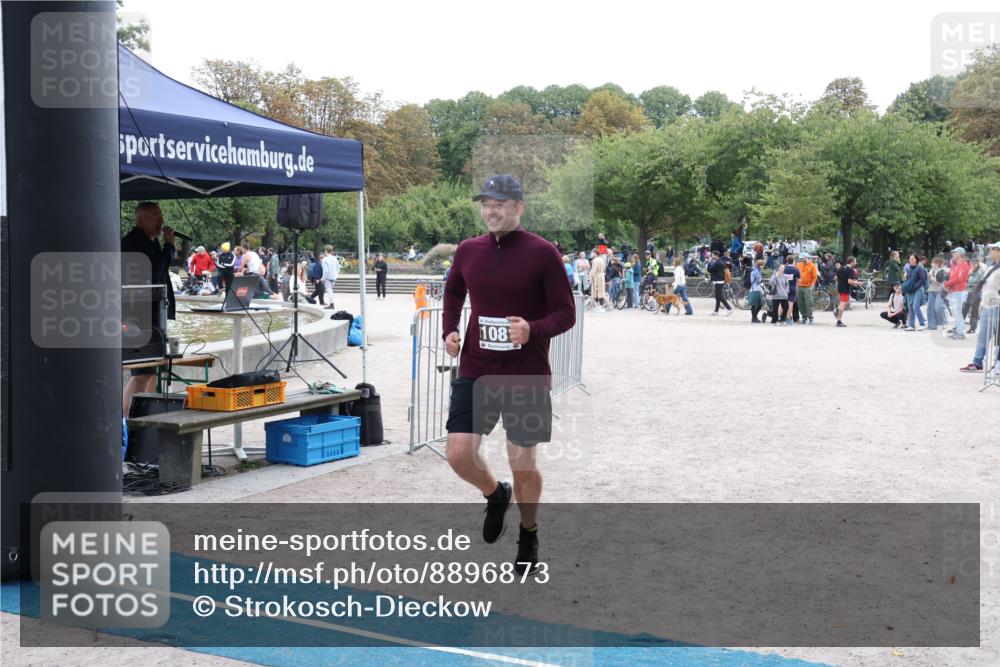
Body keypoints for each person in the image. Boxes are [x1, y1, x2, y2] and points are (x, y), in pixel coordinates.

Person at [442, 174, 575, 574]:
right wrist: (449, 328)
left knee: (522, 464)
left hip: (526, 374)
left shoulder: (543, 253)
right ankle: (494, 493)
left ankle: (529, 531)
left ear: (518, 207)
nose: (491, 211)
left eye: (499, 204)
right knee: (458, 454)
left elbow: (565, 313)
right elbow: (453, 291)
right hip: (477, 368)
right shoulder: (468, 250)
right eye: (486, 203)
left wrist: (533, 329)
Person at [121, 201, 176, 414]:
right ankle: (124, 417)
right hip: (137, 316)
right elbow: (152, 276)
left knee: (153, 371)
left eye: (161, 215)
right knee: (142, 371)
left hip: (154, 315)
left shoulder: (150, 243)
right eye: (155, 216)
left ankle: (146, 415)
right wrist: (169, 247)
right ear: (140, 219)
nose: (161, 220)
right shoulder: (134, 243)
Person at [960, 242, 1000, 373]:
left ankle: (998, 364)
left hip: (996, 305)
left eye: (993, 249)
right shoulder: (991, 267)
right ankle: (977, 362)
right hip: (988, 305)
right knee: (983, 335)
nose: (990, 251)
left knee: (998, 338)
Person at [944, 247, 971, 340]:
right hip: (954, 290)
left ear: (960, 254)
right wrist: (948, 284)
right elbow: (951, 277)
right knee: (956, 313)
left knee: (957, 312)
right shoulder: (955, 265)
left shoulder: (964, 265)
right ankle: (958, 331)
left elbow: (959, 279)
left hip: (959, 291)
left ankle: (960, 333)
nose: (952, 254)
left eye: (954, 252)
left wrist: (947, 284)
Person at [901, 253, 928, 331]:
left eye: (913, 259)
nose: (911, 260)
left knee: (915, 306)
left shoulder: (920, 268)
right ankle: (911, 326)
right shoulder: (909, 269)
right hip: (910, 290)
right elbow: (908, 281)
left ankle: (922, 323)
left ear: (916, 260)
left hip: (918, 289)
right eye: (910, 259)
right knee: (910, 307)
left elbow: (922, 280)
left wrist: (915, 287)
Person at [834, 256, 860, 328]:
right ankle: (838, 317)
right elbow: (849, 281)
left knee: (844, 303)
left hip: (840, 288)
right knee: (843, 304)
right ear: (851, 262)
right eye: (855, 261)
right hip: (845, 289)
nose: (856, 263)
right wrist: (858, 283)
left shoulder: (841, 268)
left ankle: (838, 315)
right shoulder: (850, 270)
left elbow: (835, 278)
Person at [795, 253, 818, 325]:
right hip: (800, 286)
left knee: (808, 303)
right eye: (802, 258)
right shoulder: (799, 265)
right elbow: (796, 275)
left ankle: (811, 318)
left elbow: (814, 277)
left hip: (808, 287)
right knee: (800, 303)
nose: (803, 259)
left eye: (804, 258)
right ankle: (804, 317)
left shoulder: (812, 266)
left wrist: (812, 286)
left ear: (807, 258)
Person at [926, 257, 948, 330]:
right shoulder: (931, 271)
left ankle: (943, 322)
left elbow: (940, 282)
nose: (931, 264)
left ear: (937, 264)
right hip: (931, 290)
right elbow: (929, 282)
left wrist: (931, 278)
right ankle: (932, 325)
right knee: (930, 309)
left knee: (938, 307)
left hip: (940, 291)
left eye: (933, 263)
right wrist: (929, 277)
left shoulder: (943, 271)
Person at [707, 251, 732, 315]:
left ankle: (729, 309)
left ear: (716, 255)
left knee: (719, 296)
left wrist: (709, 262)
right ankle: (716, 311)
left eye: (712, 255)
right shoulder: (721, 262)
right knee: (717, 296)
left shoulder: (717, 262)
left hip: (718, 281)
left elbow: (709, 269)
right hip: (720, 280)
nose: (712, 256)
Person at [965, 259, 985, 334]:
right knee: (964, 309)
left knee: (974, 311)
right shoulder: (971, 272)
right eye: (972, 263)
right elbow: (968, 281)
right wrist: (970, 283)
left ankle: (973, 328)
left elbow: (975, 282)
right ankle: (958, 326)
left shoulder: (980, 272)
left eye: (974, 264)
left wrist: (970, 284)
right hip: (969, 292)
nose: (973, 265)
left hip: (976, 293)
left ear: (977, 264)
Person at [782, 255, 801, 323]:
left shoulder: (784, 269)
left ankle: (781, 317)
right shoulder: (796, 270)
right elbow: (799, 280)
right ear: (793, 261)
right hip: (792, 287)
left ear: (787, 261)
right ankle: (788, 319)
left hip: (784, 287)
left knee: (783, 303)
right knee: (791, 304)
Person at [321, 245, 340, 309]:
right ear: (332, 251)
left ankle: (332, 304)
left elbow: (326, 271)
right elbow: (338, 269)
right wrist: (335, 275)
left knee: (329, 290)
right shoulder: (335, 259)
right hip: (334, 277)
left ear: (325, 250)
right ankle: (331, 303)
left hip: (328, 277)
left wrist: (323, 279)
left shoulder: (325, 259)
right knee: (331, 290)